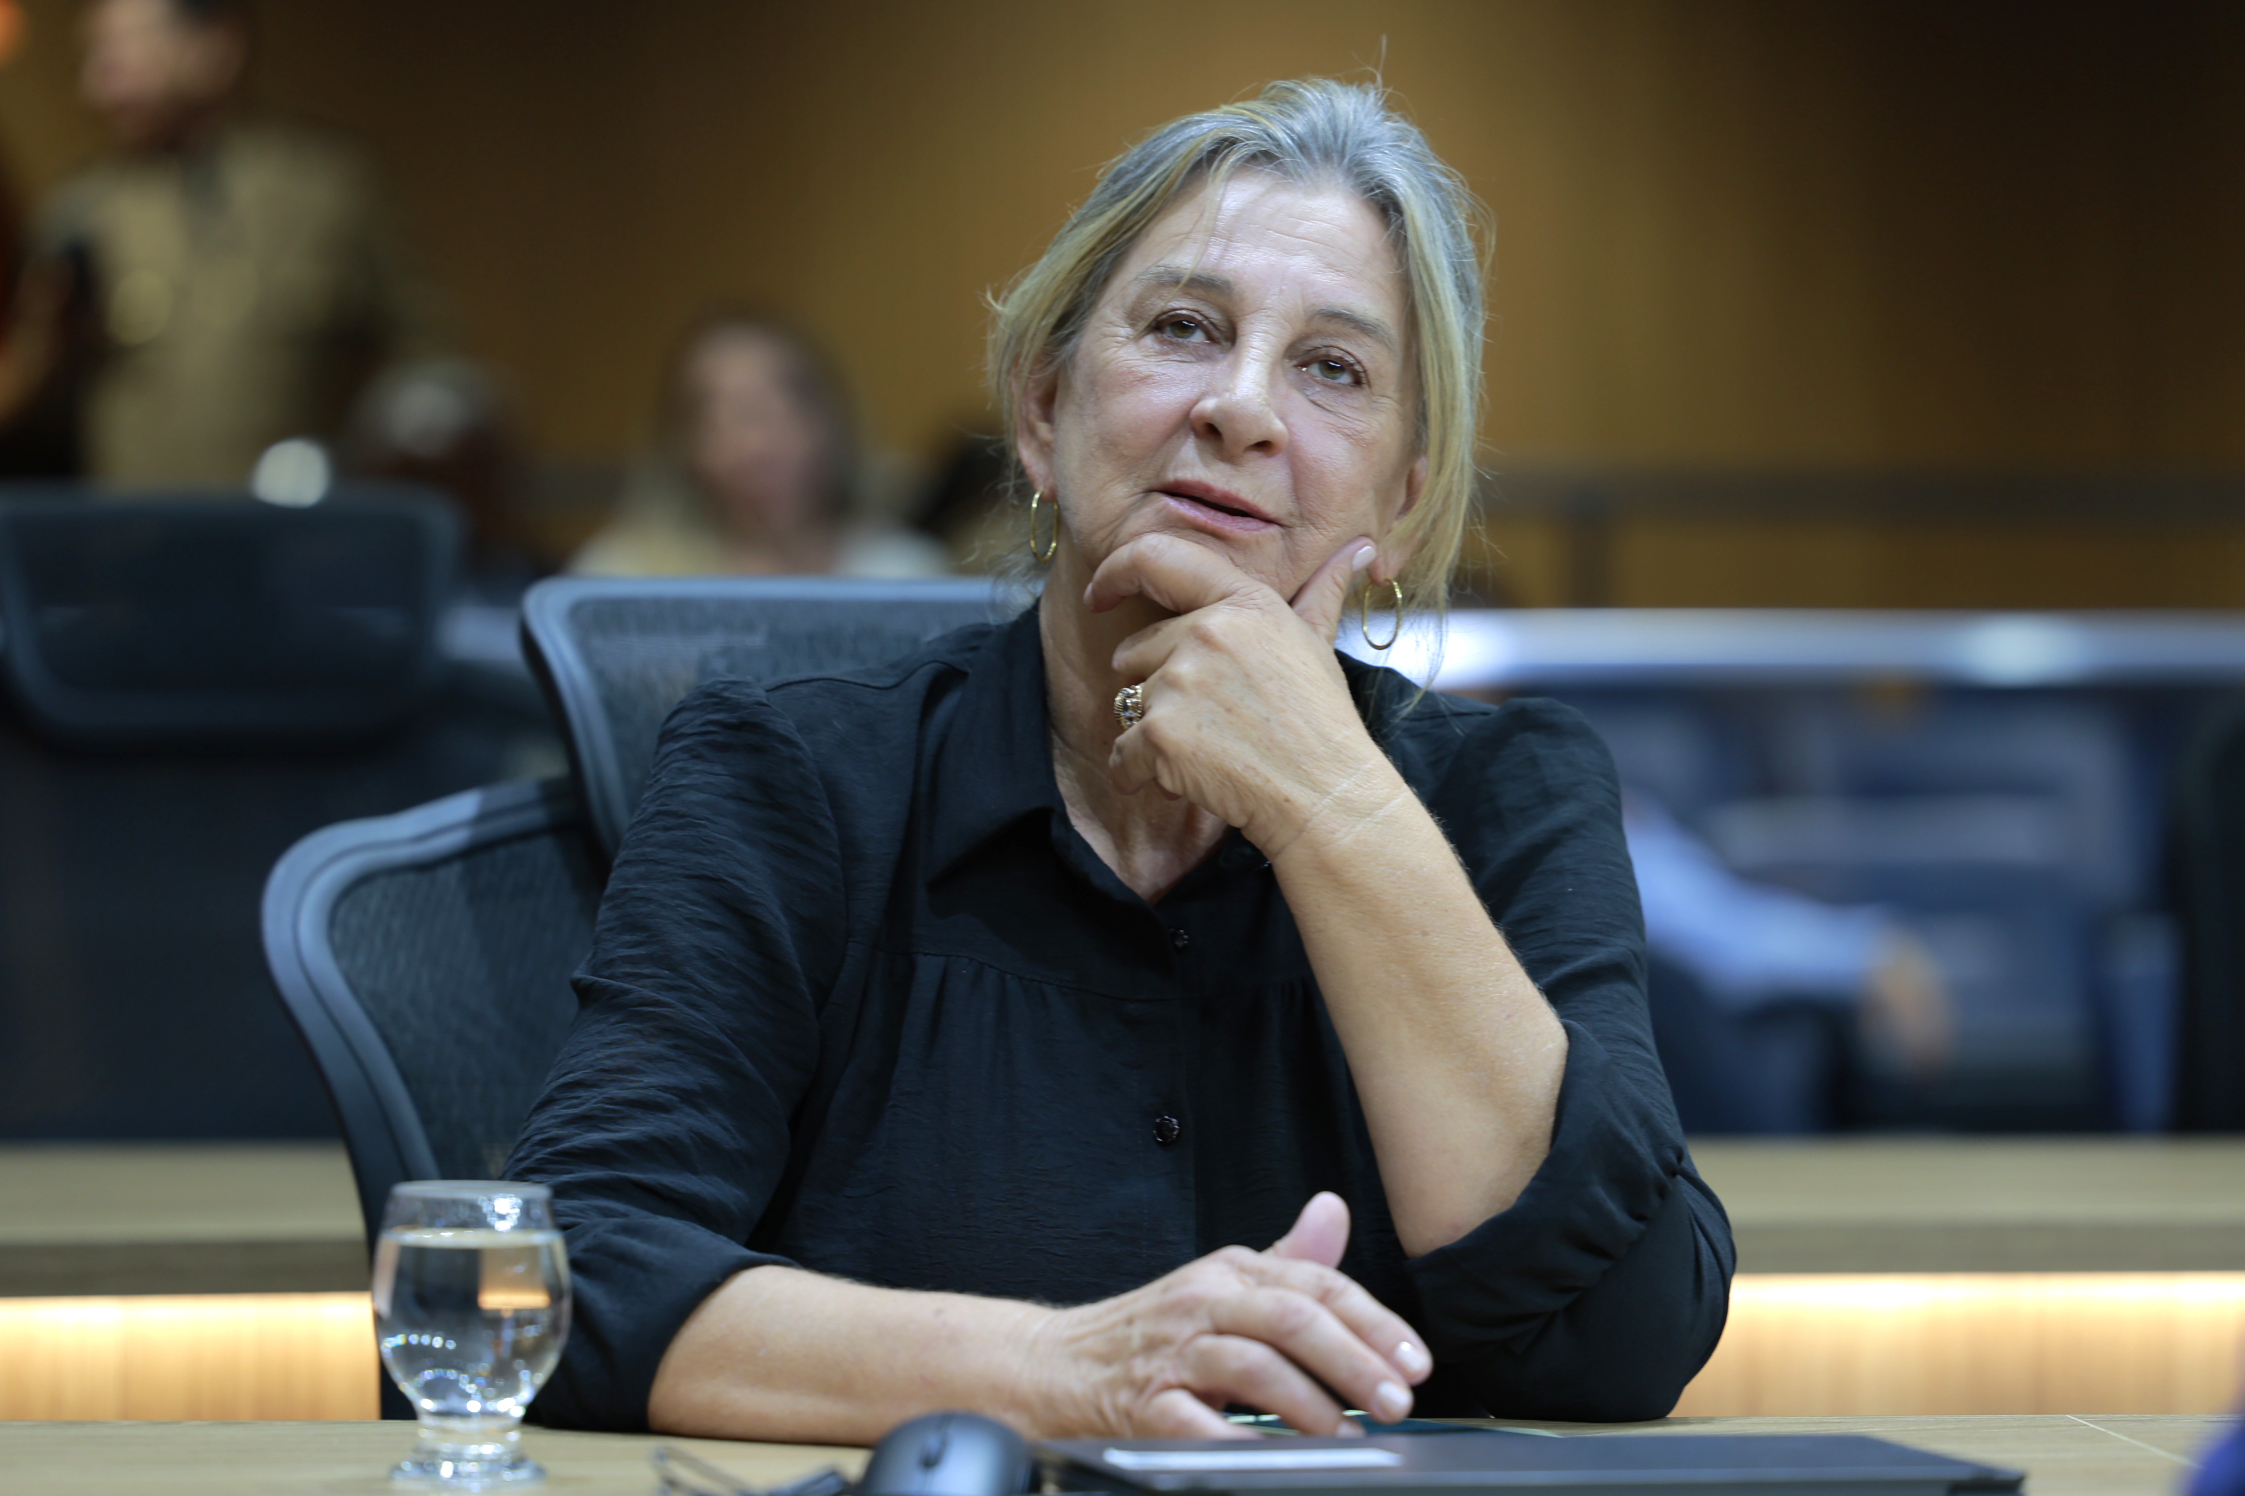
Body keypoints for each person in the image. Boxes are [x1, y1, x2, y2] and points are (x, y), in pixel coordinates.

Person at [508, 78, 1732, 1443]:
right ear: (1042, 411)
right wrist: (1065, 1370)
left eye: (1333, 368)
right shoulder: (785, 776)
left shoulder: (1509, 795)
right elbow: (559, 1282)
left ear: (1398, 497)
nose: (1242, 408)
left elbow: (1630, 1336)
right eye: (1184, 328)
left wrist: (1328, 804)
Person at [0, 0, 440, 487]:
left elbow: (426, 368)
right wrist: (52, 343)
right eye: (92, 58)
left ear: (214, 49)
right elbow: (33, 412)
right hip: (139, 523)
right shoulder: (82, 212)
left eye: (119, 52)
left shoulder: (327, 193)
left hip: (294, 522)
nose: (94, 85)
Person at [1625, 791, 1952, 1132]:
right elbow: (1713, 940)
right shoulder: (1600, 831)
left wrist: (1872, 949)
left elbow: (1716, 918)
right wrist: (1866, 951)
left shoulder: (1627, 818)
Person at [569, 313, 949, 579]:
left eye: (776, 407)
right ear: (680, 445)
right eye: (714, 416)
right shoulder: (621, 577)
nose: (752, 443)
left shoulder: (904, 574)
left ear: (830, 421)